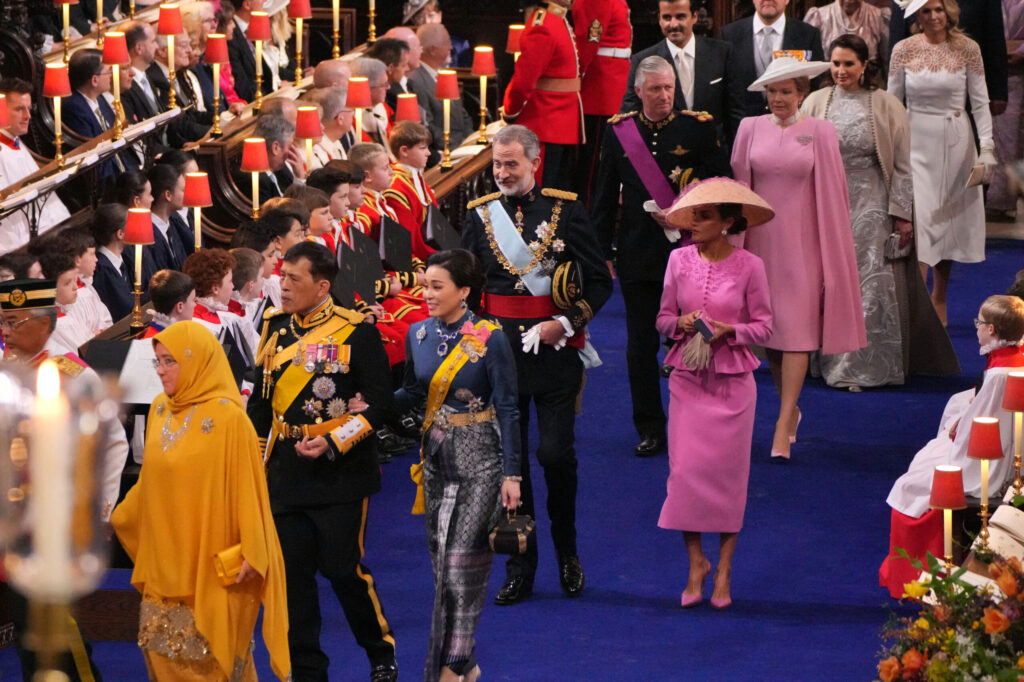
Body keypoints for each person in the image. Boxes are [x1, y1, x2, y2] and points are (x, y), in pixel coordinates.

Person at [461, 125, 612, 605]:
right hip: (499, 359)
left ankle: (568, 551)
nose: (503, 173)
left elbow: (598, 283)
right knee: (512, 466)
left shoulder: (566, 210)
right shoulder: (479, 215)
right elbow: (468, 287)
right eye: (497, 164)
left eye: (511, 164)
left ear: (535, 162)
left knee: (554, 455)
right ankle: (520, 565)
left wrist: (565, 325)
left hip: (554, 355)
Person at [246, 242, 399, 682]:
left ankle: (379, 650)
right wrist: (257, 465)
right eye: (282, 275)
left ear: (322, 285)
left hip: (340, 474)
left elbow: (380, 405)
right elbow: (261, 403)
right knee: (292, 578)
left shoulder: (356, 331)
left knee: (342, 570)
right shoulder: (274, 327)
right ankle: (308, 670)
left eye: (294, 279)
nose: (284, 285)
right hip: (286, 473)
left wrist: (334, 441)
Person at [110, 320, 290, 680]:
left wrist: (253, 549)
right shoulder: (161, 408)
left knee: (212, 665)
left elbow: (250, 490)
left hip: (211, 566)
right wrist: (114, 517)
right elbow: (150, 481)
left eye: (169, 361)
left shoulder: (229, 419)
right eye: (157, 361)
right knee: (163, 658)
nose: (160, 371)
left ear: (197, 360)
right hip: (164, 562)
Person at [386, 249, 521, 682]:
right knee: (443, 570)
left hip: (481, 460)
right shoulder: (418, 334)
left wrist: (512, 474)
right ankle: (469, 662)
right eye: (424, 285)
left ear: (464, 291)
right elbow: (410, 392)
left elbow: (509, 407)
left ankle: (451, 667)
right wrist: (368, 406)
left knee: (463, 565)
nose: (425, 294)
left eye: (436, 286)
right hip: (435, 461)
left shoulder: (489, 336)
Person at [592, 54, 731, 457]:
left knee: (700, 339)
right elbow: (602, 198)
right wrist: (600, 253)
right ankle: (650, 427)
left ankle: (702, 424)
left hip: (693, 254)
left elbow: (722, 188)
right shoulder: (620, 133)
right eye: (655, 89)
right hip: (639, 255)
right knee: (639, 347)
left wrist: (698, 222)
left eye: (669, 87)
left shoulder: (699, 129)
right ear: (638, 93)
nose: (664, 95)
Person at [731, 57, 866, 460]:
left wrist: (832, 253)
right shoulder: (747, 128)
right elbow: (739, 191)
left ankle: (782, 419)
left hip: (804, 246)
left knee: (796, 335)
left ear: (801, 94)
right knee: (770, 335)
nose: (777, 99)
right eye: (772, 92)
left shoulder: (820, 131)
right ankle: (791, 411)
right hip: (758, 245)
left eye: (786, 91)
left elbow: (834, 194)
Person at [0, 278, 129, 681]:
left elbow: (113, 445)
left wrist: (102, 509)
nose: (5, 331)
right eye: (2, 322)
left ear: (45, 322)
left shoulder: (71, 373)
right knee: (24, 628)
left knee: (55, 630)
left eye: (14, 322)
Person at [655, 178, 773, 609]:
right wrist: (681, 323)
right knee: (684, 473)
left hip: (732, 382)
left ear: (727, 222)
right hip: (687, 376)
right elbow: (662, 319)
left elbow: (764, 326)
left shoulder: (750, 266)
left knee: (726, 478)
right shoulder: (676, 260)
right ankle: (695, 564)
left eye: (704, 217)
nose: (695, 224)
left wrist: (731, 330)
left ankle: (723, 568)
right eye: (692, 216)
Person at [880, 295, 1024, 598]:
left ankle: (918, 573)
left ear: (994, 330)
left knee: (911, 483)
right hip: (1008, 447)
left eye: (980, 324)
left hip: (987, 462)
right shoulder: (1013, 358)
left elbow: (977, 430)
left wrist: (959, 429)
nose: (976, 329)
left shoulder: (1000, 375)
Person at [801, 34, 913, 390]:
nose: (841, 71)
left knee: (869, 283)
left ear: (865, 66)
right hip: (825, 200)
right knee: (828, 280)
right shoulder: (815, 101)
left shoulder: (887, 104)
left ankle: (868, 366)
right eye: (835, 63)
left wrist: (902, 212)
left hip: (872, 201)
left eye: (849, 63)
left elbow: (905, 165)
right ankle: (828, 361)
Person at [888, 0, 997, 326]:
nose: (934, 16)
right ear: (917, 17)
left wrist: (987, 147)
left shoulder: (968, 48)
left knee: (947, 223)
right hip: (914, 142)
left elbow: (980, 103)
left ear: (949, 11)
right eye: (926, 11)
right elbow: (891, 104)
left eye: (938, 9)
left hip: (955, 144)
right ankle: (918, 303)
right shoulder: (903, 49)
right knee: (920, 221)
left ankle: (939, 296)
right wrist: (889, 148)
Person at [622, 0, 743, 145]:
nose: (673, 24)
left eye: (680, 17)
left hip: (713, 157)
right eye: (667, 17)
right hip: (663, 158)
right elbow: (629, 117)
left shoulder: (722, 53)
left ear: (695, 17)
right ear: (659, 19)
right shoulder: (642, 60)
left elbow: (736, 113)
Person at [501, 0, 584, 187]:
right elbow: (524, 80)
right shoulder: (543, 24)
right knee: (542, 195)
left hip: (559, 125)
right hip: (544, 125)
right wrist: (510, 111)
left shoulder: (557, 19)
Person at [888, 0, 1008, 115]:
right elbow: (897, 35)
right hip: (917, 87)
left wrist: (998, 90)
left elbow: (994, 35)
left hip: (966, 84)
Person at [720, 0, 826, 118]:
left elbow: (816, 85)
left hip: (792, 125)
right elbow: (724, 90)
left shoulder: (808, 34)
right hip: (742, 126)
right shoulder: (729, 34)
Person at [572, 0, 633, 204]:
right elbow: (588, 42)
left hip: (611, 83)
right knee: (593, 172)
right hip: (600, 88)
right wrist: (577, 75)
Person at [0, 78, 69, 255]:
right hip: (17, 246)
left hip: (46, 232)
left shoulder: (16, 141)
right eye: (19, 109)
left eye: (29, 109)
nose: (28, 116)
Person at [408, 23, 474, 162]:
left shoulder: (444, 75)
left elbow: (463, 115)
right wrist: (455, 146)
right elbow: (427, 124)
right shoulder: (416, 81)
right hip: (447, 151)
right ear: (433, 50)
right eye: (447, 43)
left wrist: (469, 140)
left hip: (463, 146)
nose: (451, 47)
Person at [804, 0, 891, 71]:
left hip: (869, 83)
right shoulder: (819, 16)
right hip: (828, 83)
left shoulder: (877, 16)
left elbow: (887, 60)